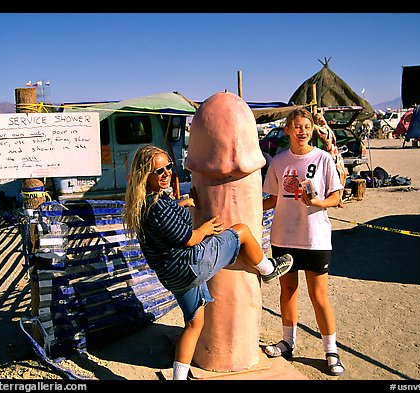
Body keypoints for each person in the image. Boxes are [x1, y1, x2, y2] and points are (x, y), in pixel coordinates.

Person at [123, 145, 293, 380]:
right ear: (145, 175)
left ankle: (178, 378)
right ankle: (269, 269)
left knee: (194, 323)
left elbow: (165, 218)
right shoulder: (158, 207)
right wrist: (205, 229)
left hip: (171, 275)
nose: (165, 174)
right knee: (241, 231)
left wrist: (183, 203)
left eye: (168, 167)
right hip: (190, 265)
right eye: (158, 171)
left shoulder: (144, 205)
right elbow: (190, 239)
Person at [262, 108, 345, 376]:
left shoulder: (322, 159)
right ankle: (288, 342)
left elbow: (336, 196)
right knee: (288, 291)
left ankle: (331, 350)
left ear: (312, 130)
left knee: (318, 295)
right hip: (284, 237)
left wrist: (318, 202)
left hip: (315, 237)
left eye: (306, 126)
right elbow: (272, 199)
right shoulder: (278, 161)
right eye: (297, 126)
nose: (302, 131)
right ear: (287, 129)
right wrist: (244, 207)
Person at [313, 112, 348, 207]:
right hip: (331, 155)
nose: (322, 120)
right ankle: (337, 198)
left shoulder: (326, 128)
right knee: (335, 177)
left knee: (342, 175)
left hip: (335, 154)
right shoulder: (322, 129)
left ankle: (339, 198)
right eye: (320, 119)